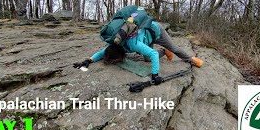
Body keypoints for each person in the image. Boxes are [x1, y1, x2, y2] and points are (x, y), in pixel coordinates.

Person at [73, 20, 204, 85]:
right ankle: (164, 51)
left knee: (174, 49)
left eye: (116, 60)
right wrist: (88, 60)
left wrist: (155, 75)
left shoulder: (132, 44)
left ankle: (191, 59)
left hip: (156, 31)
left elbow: (153, 54)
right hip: (145, 38)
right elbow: (102, 53)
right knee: (147, 59)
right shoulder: (114, 43)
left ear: (120, 55)